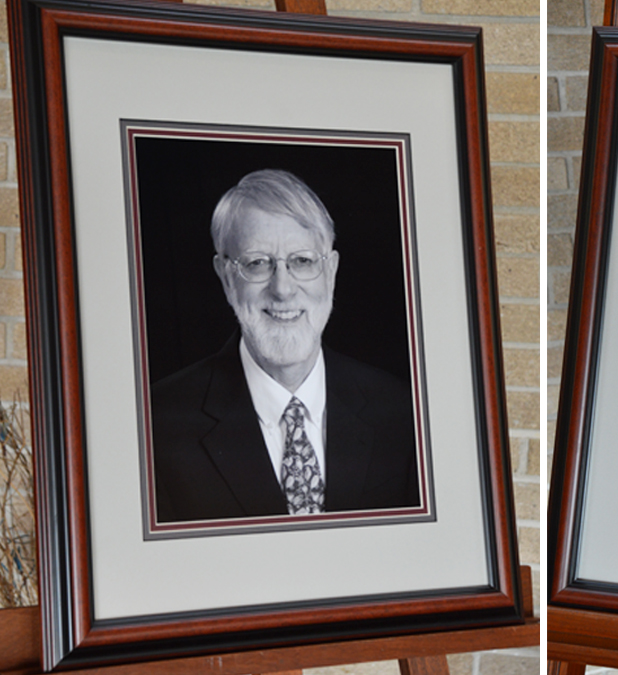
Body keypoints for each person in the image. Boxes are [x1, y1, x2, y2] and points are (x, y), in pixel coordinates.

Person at [151, 169, 420, 523]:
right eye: (257, 263)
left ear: (332, 271)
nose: (282, 288)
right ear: (225, 275)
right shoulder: (157, 425)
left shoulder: (404, 413)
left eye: (303, 261)